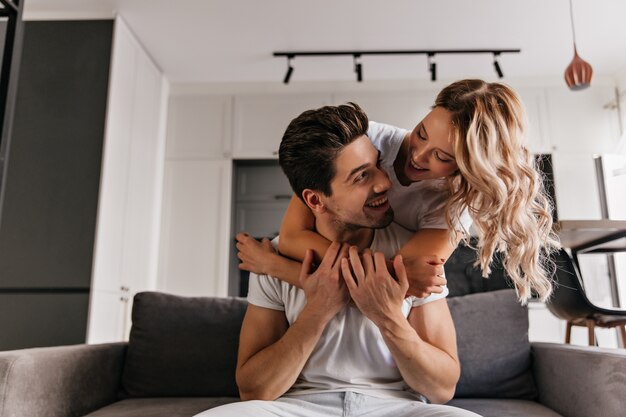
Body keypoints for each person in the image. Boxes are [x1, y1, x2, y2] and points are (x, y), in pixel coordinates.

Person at [194, 103, 479, 417]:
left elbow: (441, 389)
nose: (386, 183)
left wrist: (387, 315)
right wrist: (318, 309)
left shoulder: (416, 259)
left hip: (396, 407)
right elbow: (253, 390)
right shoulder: (277, 254)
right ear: (315, 200)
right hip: (297, 407)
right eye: (361, 177)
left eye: (378, 165)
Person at [236, 79, 560, 304]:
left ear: (469, 166)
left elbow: (394, 288)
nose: (418, 156)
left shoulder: (450, 206)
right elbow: (293, 238)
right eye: (421, 133)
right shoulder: (364, 141)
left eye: (442, 157)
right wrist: (389, 268)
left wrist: (280, 269)